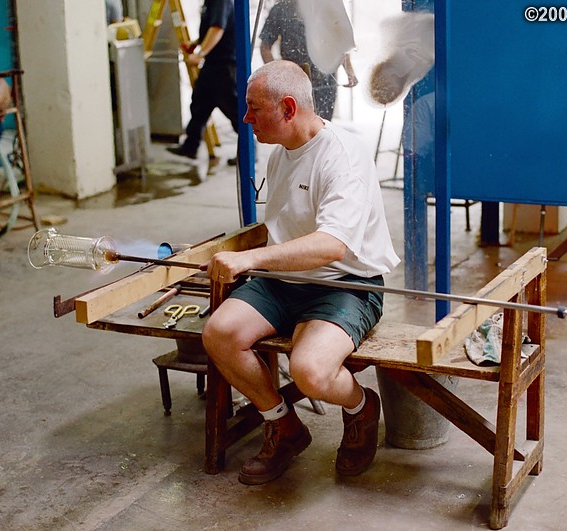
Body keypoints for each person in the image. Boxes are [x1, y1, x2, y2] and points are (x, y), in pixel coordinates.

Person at [201, 60, 400, 485]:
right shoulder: (281, 154)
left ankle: (360, 407)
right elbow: (284, 228)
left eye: (254, 107)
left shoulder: (342, 156)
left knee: (309, 371)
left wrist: (251, 260)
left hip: (346, 284)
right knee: (219, 334)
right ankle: (284, 426)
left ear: (288, 108)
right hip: (284, 281)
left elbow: (333, 245)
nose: (245, 117)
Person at [166, 0, 240, 165]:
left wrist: (200, 53)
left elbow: (217, 28)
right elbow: (211, 28)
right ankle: (191, 146)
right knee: (200, 104)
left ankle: (248, 150)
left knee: (232, 108)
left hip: (223, 64)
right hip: (213, 63)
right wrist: (197, 43)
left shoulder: (220, 2)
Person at [258, 0, 358, 121]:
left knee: (323, 128)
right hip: (294, 84)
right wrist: (277, 76)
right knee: (298, 129)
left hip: (325, 85)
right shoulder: (281, 10)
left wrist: (350, 71)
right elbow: (265, 47)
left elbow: (339, 43)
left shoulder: (327, 6)